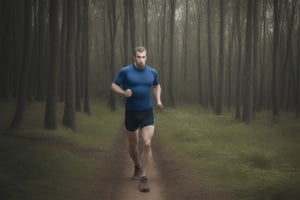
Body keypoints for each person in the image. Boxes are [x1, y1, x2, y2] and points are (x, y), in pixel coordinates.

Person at [111, 46, 163, 192]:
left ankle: (144, 178)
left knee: (146, 144)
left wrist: (158, 100)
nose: (141, 60)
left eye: (143, 57)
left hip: (147, 112)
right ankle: (136, 165)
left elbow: (156, 85)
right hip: (131, 113)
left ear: (147, 57)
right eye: (138, 57)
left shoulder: (152, 72)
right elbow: (113, 85)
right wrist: (123, 92)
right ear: (134, 57)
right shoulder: (125, 71)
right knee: (133, 145)